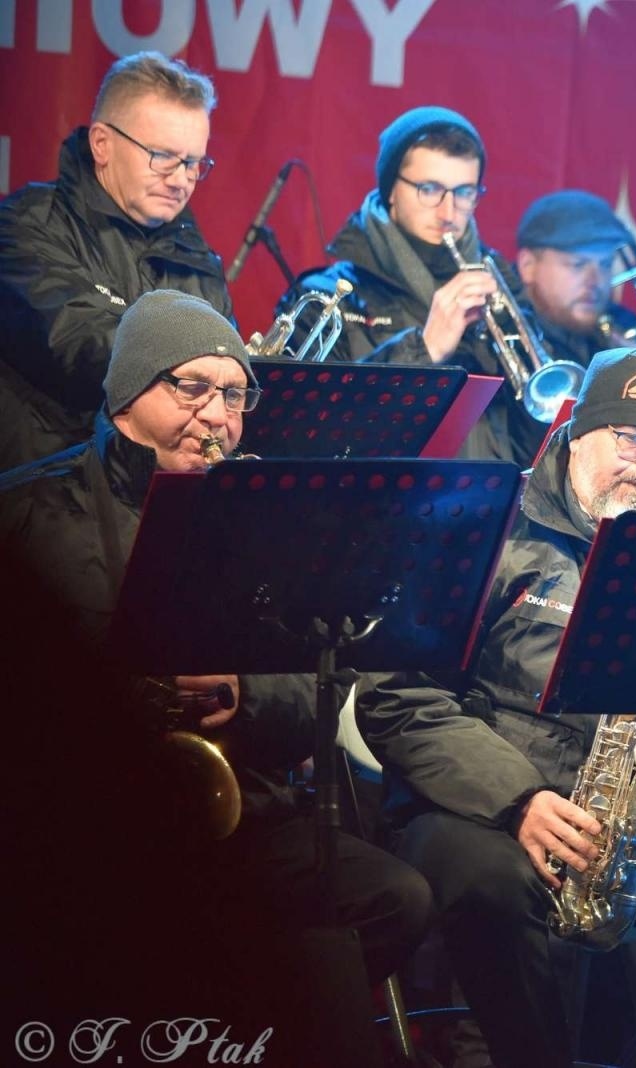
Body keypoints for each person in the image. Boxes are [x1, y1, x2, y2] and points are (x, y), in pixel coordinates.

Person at [0, 290, 432, 1052]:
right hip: (84, 818)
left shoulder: (259, 512)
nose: (216, 416)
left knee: (395, 897)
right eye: (190, 386)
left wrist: (247, 696)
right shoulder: (31, 507)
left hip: (242, 812)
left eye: (233, 395)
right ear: (130, 392)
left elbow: (316, 685)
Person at [357, 348, 636, 1068]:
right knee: (494, 878)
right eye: (629, 438)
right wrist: (519, 801)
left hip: (629, 830)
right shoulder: (485, 529)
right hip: (478, 813)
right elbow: (394, 697)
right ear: (576, 435)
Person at [0, 51, 231, 470]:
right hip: (47, 499)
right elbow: (77, 344)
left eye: (193, 163)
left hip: (157, 501)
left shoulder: (200, 260)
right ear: (102, 144)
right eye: (162, 156)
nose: (181, 179)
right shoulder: (26, 223)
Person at [280, 106, 545, 464]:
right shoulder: (324, 297)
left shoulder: (501, 286)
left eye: (464, 192)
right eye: (429, 189)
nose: (448, 213)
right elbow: (304, 434)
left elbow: (536, 449)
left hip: (489, 509)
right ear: (391, 190)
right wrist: (424, 349)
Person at [514, 189, 636, 367]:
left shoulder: (624, 324)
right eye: (577, 265)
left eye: (605, 265)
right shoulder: (497, 337)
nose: (595, 282)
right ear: (527, 266)